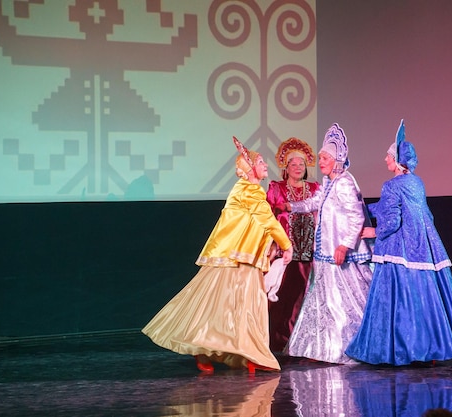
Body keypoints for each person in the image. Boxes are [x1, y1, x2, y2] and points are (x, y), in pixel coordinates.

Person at [142, 136, 293, 373]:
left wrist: (271, 248)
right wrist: (286, 245)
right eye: (261, 161)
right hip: (233, 257)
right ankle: (207, 349)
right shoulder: (248, 190)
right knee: (222, 304)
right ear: (250, 168)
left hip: (243, 257)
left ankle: (248, 353)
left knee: (244, 305)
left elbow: (258, 224)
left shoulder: (250, 189)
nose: (265, 165)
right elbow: (267, 219)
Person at [345, 119, 452, 366]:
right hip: (424, 246)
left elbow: (392, 220)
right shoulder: (416, 182)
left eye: (388, 156)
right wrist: (367, 207)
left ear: (397, 161)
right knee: (424, 295)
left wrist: (374, 232)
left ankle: (401, 349)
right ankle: (432, 348)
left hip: (401, 247)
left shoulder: (391, 185)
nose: (385, 160)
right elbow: (403, 209)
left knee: (400, 298)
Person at [283, 123, 373, 364]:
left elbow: (356, 216)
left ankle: (352, 348)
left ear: (336, 160)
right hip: (326, 254)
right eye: (320, 157)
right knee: (326, 302)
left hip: (339, 253)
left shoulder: (344, 182)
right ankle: (323, 350)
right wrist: (291, 206)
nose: (320, 162)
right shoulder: (330, 182)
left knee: (345, 303)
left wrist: (344, 245)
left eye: (324, 158)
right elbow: (314, 202)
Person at [265, 137, 321, 352]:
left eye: (301, 165)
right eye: (293, 164)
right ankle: (277, 341)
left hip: (309, 252)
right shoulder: (275, 188)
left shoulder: (315, 188)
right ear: (285, 168)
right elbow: (268, 217)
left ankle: (301, 344)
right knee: (280, 297)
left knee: (304, 297)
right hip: (284, 253)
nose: (298, 168)